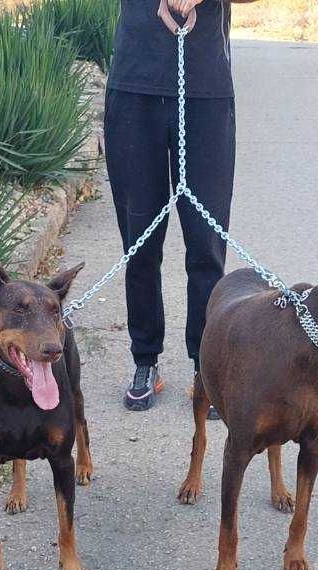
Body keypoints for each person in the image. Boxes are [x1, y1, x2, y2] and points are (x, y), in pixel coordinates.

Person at [104, 0, 251, 412]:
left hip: (205, 88)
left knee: (206, 245)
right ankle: (145, 359)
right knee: (140, 243)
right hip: (135, 85)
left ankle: (207, 369)